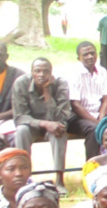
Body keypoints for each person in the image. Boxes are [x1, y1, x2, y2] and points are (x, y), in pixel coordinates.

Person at [12, 58, 71, 187]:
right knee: (21, 131)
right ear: (31, 72)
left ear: (51, 73)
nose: (41, 75)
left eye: (46, 71)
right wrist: (44, 124)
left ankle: (59, 180)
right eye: (37, 71)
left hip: (54, 123)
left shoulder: (61, 84)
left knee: (60, 130)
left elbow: (61, 116)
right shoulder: (21, 83)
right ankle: (25, 179)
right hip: (31, 125)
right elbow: (20, 116)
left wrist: (47, 91)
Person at [67, 42, 107, 160]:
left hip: (97, 115)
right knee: (94, 129)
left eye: (92, 53)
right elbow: (75, 105)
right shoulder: (73, 74)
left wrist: (101, 119)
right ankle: (92, 168)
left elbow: (105, 100)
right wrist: (98, 123)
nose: (90, 56)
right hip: (77, 117)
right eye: (85, 54)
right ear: (79, 58)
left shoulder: (102, 71)